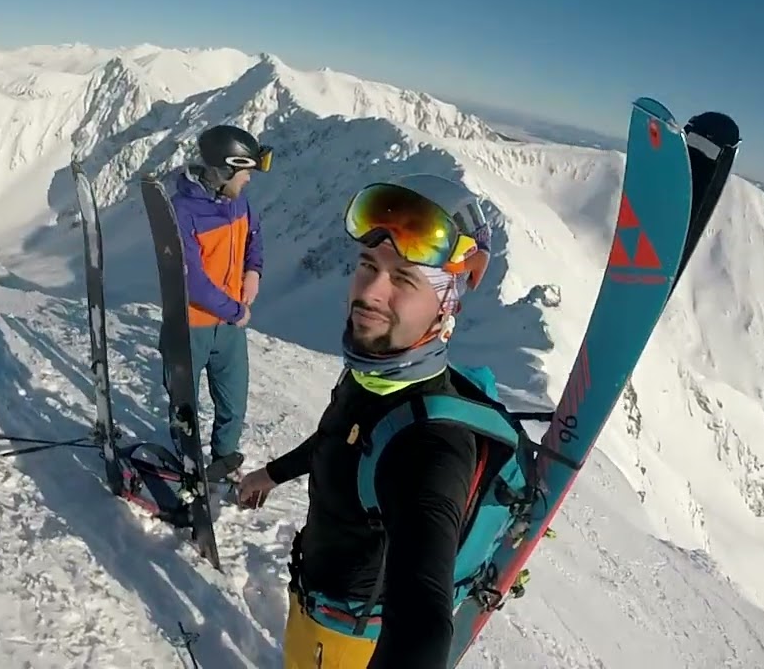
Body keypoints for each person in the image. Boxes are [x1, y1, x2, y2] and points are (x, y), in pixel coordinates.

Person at [237, 173, 510, 668]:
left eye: (404, 279)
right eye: (367, 265)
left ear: (446, 304)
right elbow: (336, 437)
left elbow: (423, 617)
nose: (371, 292)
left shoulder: (430, 445)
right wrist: (271, 474)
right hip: (315, 610)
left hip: (349, 645)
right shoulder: (371, 377)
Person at [168, 123, 272, 482]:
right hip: (191, 324)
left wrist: (253, 271)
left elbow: (253, 235)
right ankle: (188, 464)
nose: (249, 181)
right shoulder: (183, 211)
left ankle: (225, 460)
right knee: (185, 404)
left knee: (233, 402)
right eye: (245, 172)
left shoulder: (237, 200)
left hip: (227, 328)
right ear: (225, 169)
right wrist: (237, 310)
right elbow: (192, 281)